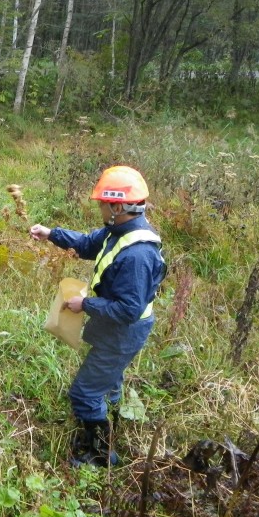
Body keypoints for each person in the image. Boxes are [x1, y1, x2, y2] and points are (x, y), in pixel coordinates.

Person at [29, 166, 165, 467]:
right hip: (114, 329)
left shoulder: (137, 256)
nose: (100, 208)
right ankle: (114, 418)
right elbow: (89, 244)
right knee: (110, 382)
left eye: (103, 204)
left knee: (84, 393)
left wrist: (86, 304)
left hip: (123, 333)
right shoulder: (119, 231)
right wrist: (51, 234)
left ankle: (99, 453)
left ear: (118, 207)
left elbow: (128, 310)